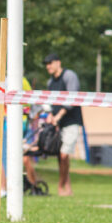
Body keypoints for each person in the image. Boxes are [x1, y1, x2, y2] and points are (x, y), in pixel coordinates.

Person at [44, 52, 83, 196]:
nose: (48, 66)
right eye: (46, 64)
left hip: (71, 121)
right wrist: (50, 115)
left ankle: (60, 187)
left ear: (58, 62)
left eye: (50, 63)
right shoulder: (50, 82)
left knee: (64, 155)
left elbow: (72, 99)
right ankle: (68, 188)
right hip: (58, 125)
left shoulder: (69, 76)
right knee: (60, 157)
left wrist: (58, 115)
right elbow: (50, 102)